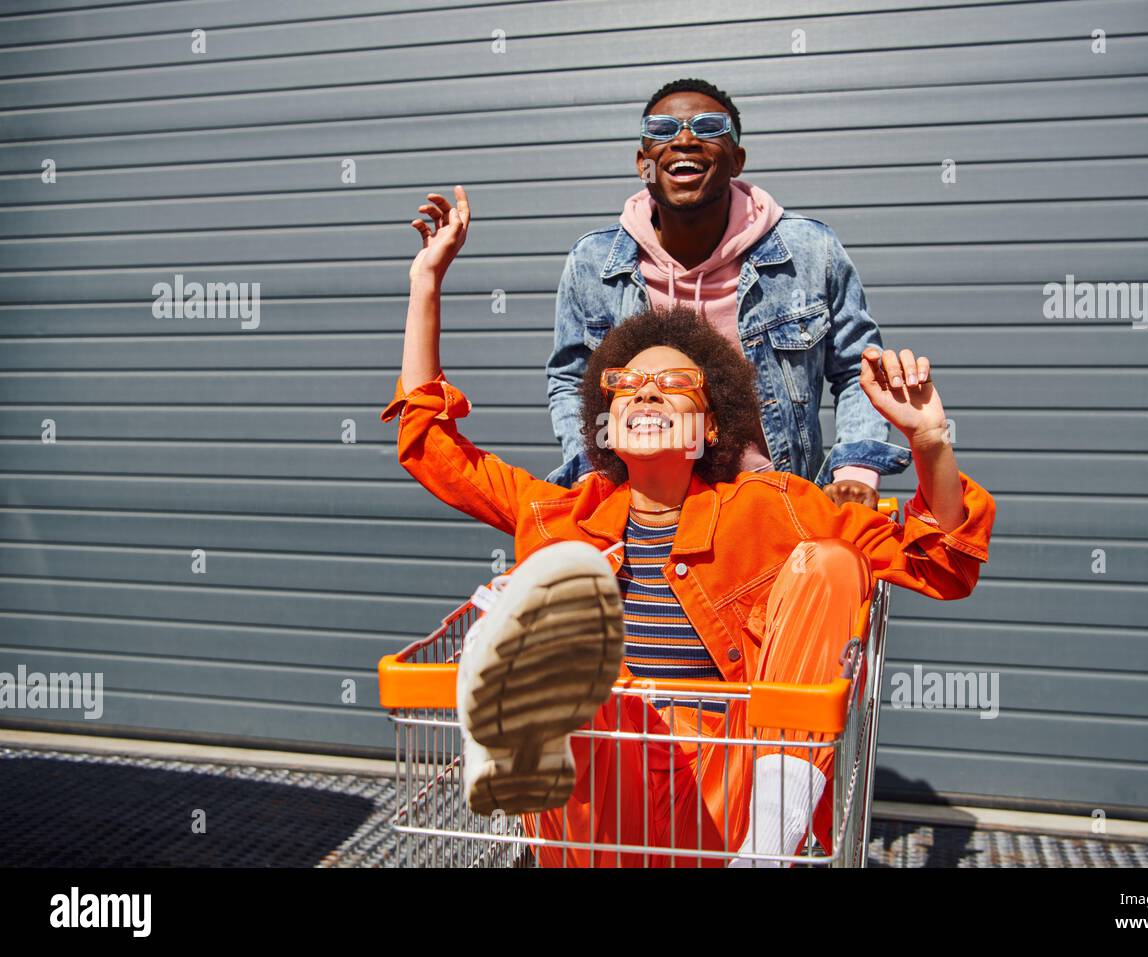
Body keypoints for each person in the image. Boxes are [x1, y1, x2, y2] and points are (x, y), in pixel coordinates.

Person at [383, 186, 996, 867]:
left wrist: (931, 441)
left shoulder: (770, 506)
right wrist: (425, 283)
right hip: (601, 787)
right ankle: (517, 710)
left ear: (708, 426)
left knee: (831, 563)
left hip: (725, 797)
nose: (645, 392)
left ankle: (768, 848)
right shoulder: (563, 514)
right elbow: (433, 449)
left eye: (672, 387)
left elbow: (941, 560)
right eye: (628, 386)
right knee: (554, 578)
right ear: (607, 421)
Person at [545, 77, 911, 510]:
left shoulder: (809, 251)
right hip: (645, 511)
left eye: (707, 127)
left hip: (774, 509)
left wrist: (853, 472)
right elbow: (571, 380)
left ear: (737, 159)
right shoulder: (594, 261)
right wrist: (593, 471)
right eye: (662, 129)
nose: (684, 139)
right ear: (643, 162)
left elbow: (860, 372)